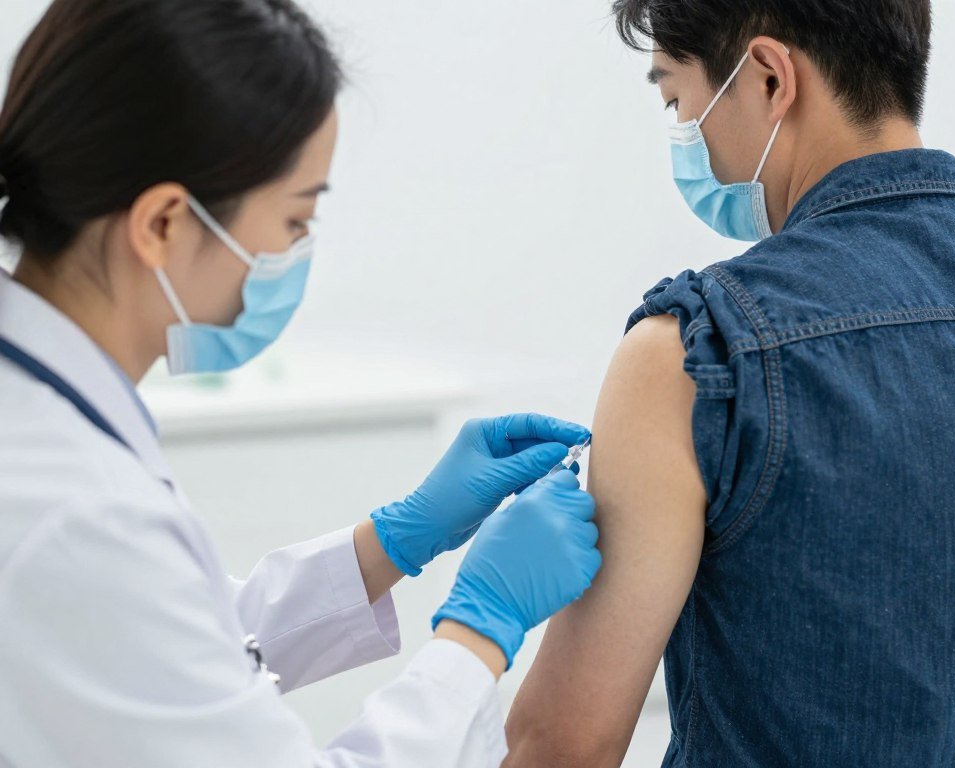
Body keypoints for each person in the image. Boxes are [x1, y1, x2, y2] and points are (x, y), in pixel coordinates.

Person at [0, 1, 602, 766]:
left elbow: (183, 654)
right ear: (162, 225)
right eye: (292, 222)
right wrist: (479, 632)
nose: (298, 252)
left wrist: (389, 542)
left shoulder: (46, 436)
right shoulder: (76, 513)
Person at [504, 1, 955, 766]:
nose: (687, 139)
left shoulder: (692, 353)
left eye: (678, 102)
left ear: (770, 76)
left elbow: (563, 745)